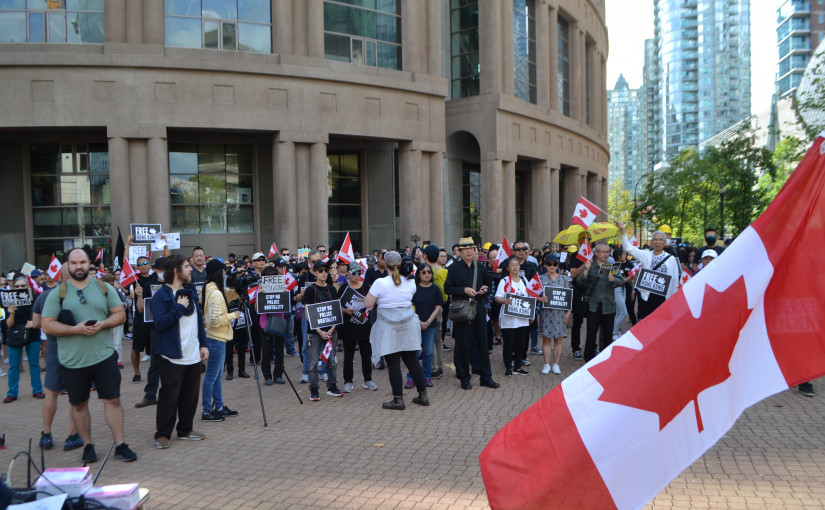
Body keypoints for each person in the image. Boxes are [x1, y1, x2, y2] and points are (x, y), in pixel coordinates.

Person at [41, 248, 136, 463]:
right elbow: (47, 324)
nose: (78, 266)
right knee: (79, 404)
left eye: (82, 262)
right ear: (68, 265)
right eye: (73, 263)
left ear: (89, 263)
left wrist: (103, 324)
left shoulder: (103, 287)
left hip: (104, 357)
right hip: (73, 361)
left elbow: (120, 314)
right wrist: (75, 329)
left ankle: (120, 445)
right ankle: (87, 445)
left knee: (113, 401)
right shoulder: (58, 293)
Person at [150, 255, 209, 449]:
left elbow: (198, 321)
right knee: (169, 397)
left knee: (190, 396)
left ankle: (185, 429)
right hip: (171, 355)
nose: (191, 268)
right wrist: (178, 308)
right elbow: (160, 324)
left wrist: (203, 344)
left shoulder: (189, 291)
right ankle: (162, 434)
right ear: (175, 271)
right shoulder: (161, 296)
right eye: (186, 266)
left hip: (192, 354)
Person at [363, 251, 429, 410]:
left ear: (384, 264)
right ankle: (423, 395)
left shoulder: (380, 283)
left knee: (393, 363)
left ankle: (398, 399)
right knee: (412, 362)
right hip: (408, 324)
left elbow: (367, 303)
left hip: (388, 326)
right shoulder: (411, 282)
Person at [32, 265, 83, 450]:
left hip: (54, 347)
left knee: (51, 392)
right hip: (76, 348)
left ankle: (46, 434)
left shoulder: (45, 296)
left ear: (59, 276)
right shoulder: (81, 296)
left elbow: (37, 323)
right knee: (75, 394)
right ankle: (72, 435)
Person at [444, 237, 499, 390]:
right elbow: (447, 289)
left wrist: (485, 290)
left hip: (479, 308)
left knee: (483, 343)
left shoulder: (480, 267)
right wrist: (464, 290)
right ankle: (464, 378)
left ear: (475, 250)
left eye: (471, 248)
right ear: (460, 251)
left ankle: (486, 377)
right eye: (465, 248)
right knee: (463, 345)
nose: (469, 251)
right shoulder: (453, 268)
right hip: (462, 310)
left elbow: (488, 283)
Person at [201, 258, 241, 421]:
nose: (226, 274)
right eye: (224, 271)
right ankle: (206, 411)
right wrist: (234, 315)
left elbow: (228, 293)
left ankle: (218, 406)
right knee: (212, 376)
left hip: (216, 338)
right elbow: (215, 320)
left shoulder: (211, 288)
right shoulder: (215, 293)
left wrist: (238, 288)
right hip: (216, 338)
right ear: (219, 272)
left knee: (216, 376)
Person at [617, 221, 680, 320]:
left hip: (662, 297)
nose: (658, 242)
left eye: (660, 240)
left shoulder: (671, 259)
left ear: (665, 242)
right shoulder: (646, 254)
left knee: (660, 323)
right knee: (645, 322)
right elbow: (628, 248)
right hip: (646, 296)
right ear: (652, 242)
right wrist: (623, 230)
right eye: (655, 240)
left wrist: (672, 300)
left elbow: (675, 280)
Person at [576, 243, 626, 362]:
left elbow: (621, 280)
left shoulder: (612, 266)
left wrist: (614, 280)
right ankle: (589, 359)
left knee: (607, 334)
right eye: (602, 252)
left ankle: (605, 359)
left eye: (607, 252)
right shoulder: (591, 265)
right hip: (593, 305)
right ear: (596, 253)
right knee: (591, 333)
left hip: (608, 305)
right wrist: (586, 271)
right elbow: (580, 282)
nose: (605, 254)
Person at [302, 261, 342, 401]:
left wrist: (331, 330)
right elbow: (308, 313)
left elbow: (336, 311)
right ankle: (314, 389)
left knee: (331, 360)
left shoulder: (332, 289)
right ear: (315, 273)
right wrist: (319, 331)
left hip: (331, 331)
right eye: (321, 270)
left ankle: (332, 387)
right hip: (315, 332)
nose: (324, 273)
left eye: (326, 270)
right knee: (313, 362)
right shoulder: (310, 290)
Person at [3, 275, 43, 403]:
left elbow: (43, 316)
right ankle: (12, 393)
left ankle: (37, 390)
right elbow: (8, 324)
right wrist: (12, 313)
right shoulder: (8, 301)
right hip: (14, 334)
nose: (20, 288)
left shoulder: (35, 298)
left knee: (34, 364)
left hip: (33, 334)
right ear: (13, 288)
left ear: (28, 287)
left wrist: (34, 323)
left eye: (23, 286)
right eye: (17, 286)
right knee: (14, 366)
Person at [404, 262, 443, 388]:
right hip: (414, 324)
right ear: (419, 274)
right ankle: (411, 377)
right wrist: (419, 321)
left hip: (430, 325)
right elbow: (408, 306)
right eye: (424, 272)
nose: (427, 274)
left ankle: (427, 376)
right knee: (414, 353)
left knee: (428, 353)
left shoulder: (435, 288)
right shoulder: (413, 288)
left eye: (429, 272)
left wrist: (427, 322)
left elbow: (438, 307)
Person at [339, 261, 377, 393]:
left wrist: (371, 306)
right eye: (354, 273)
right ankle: (348, 381)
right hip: (349, 326)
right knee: (348, 355)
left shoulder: (366, 287)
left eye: (359, 273)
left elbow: (373, 303)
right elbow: (338, 307)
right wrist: (345, 310)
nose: (356, 275)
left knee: (366, 354)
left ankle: (368, 380)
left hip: (364, 325)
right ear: (348, 273)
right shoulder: (343, 288)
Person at [494, 256, 532, 377]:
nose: (515, 267)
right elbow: (497, 297)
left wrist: (532, 314)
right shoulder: (504, 281)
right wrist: (505, 301)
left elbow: (530, 297)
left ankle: (518, 367)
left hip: (522, 318)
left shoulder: (524, 280)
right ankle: (508, 367)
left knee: (521, 344)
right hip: (509, 319)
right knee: (509, 344)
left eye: (517, 264)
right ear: (508, 268)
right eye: (512, 265)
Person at [538, 254, 570, 375]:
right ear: (545, 265)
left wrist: (568, 313)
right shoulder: (540, 279)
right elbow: (532, 295)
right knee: (546, 340)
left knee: (559, 339)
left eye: (554, 264)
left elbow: (569, 297)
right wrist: (540, 299)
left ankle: (556, 364)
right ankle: (546, 364)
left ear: (558, 265)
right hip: (546, 313)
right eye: (549, 264)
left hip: (560, 314)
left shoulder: (564, 279)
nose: (552, 266)